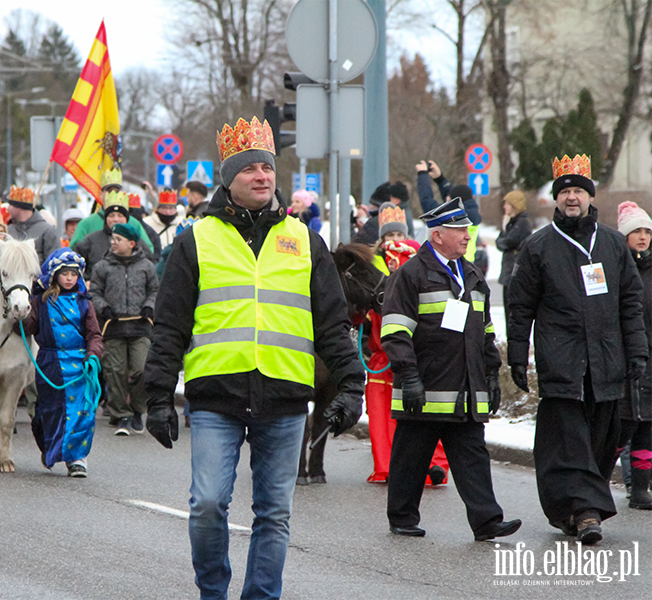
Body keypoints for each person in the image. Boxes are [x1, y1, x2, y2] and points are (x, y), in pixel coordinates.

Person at [144, 116, 365, 599]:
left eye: (268, 167)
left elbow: (331, 324)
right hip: (215, 398)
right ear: (229, 178)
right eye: (250, 169)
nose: (263, 176)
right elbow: (171, 329)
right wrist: (157, 396)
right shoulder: (195, 241)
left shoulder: (305, 241)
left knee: (274, 514)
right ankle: (213, 593)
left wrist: (352, 385)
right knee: (206, 505)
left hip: (285, 401)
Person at [507, 155, 647, 545]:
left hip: (607, 361)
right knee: (569, 441)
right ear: (556, 198)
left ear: (589, 197)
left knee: (601, 442)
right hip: (562, 361)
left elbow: (630, 303)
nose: (572, 198)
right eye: (565, 191)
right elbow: (520, 308)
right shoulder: (538, 247)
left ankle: (575, 508)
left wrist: (637, 352)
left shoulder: (613, 244)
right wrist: (517, 356)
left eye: (578, 191)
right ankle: (586, 513)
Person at [380, 197, 520, 541]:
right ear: (437, 235)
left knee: (473, 457)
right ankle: (402, 517)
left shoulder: (472, 275)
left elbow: (485, 330)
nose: (467, 236)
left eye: (468, 230)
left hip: (467, 391)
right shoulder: (410, 274)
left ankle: (487, 521)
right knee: (410, 458)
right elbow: (395, 331)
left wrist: (491, 374)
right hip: (424, 389)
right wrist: (408, 376)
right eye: (460, 230)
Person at [364, 202, 448, 485]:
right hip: (380, 357)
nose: (394, 242)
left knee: (422, 413)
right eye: (389, 236)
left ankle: (432, 465)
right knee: (381, 416)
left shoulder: (418, 262)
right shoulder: (372, 266)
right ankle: (386, 466)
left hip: (411, 353)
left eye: (399, 236)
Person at [21, 249, 103, 476]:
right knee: (50, 411)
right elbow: (28, 329)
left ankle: (77, 459)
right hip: (51, 363)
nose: (69, 278)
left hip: (80, 366)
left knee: (81, 412)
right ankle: (50, 448)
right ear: (54, 275)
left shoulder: (85, 303)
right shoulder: (40, 301)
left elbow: (94, 334)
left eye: (74, 274)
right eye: (65, 273)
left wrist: (93, 355)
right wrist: (21, 313)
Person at [91, 223, 158, 436]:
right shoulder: (102, 267)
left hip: (140, 327)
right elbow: (94, 293)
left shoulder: (147, 266)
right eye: (112, 238)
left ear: (131, 243)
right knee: (115, 372)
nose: (113, 242)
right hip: (114, 327)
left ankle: (138, 409)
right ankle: (121, 415)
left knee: (141, 369)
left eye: (118, 239)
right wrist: (104, 308)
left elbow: (155, 290)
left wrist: (149, 306)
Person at [616, 201, 652, 510]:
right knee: (622, 425)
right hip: (622, 357)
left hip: (649, 357)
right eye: (636, 231)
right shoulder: (616, 266)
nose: (642, 237)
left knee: (646, 427)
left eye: (647, 231)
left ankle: (640, 489)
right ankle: (596, 484)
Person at [69, 168, 153, 249]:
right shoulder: (86, 224)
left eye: (116, 191)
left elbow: (148, 250)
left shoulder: (134, 224)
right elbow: (74, 250)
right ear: (101, 195)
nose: (113, 194)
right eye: (109, 191)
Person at [74, 192, 153, 278]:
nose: (115, 219)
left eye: (120, 215)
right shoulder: (91, 240)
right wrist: (86, 280)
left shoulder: (136, 241)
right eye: (111, 215)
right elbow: (75, 263)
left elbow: (150, 265)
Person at [416, 160, 482, 261]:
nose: (446, 198)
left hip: (450, 262)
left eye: (449, 198)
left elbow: (427, 201)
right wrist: (439, 179)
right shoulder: (471, 211)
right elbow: (454, 195)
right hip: (466, 262)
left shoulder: (454, 218)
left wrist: (422, 175)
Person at [494, 189, 532, 320]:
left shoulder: (522, 223)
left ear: (515, 205)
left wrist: (504, 235)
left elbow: (507, 242)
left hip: (515, 275)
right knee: (508, 314)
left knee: (513, 315)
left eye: (507, 204)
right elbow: (499, 243)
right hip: (509, 274)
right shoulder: (511, 222)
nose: (504, 207)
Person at [5, 185, 60, 265]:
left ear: (18, 207)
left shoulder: (47, 231)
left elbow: (54, 264)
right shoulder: (8, 230)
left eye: (10, 205)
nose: (7, 209)